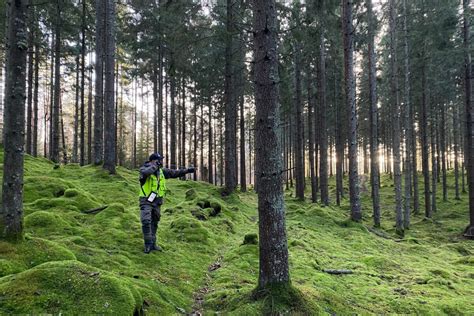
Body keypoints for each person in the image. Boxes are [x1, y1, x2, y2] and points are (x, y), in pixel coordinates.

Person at [139, 153, 195, 253]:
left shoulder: (161, 171)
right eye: (159, 160)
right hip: (146, 200)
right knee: (146, 221)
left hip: (157, 201)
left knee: (154, 222)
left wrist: (188, 170)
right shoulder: (143, 169)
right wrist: (155, 166)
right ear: (153, 160)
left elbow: (174, 173)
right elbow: (147, 173)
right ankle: (147, 245)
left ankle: (153, 244)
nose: (161, 162)